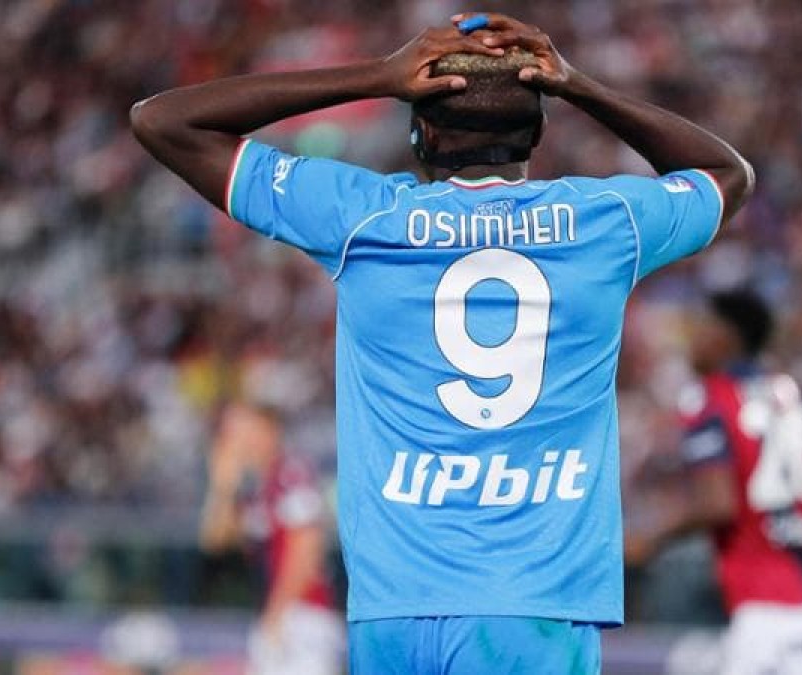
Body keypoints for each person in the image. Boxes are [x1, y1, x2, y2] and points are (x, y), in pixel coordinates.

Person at [131, 12, 753, 673]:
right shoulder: (606, 223)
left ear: (420, 131)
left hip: (393, 613)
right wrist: (579, 86)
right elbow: (726, 173)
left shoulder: (363, 218)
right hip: (535, 606)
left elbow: (162, 121)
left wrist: (378, 76)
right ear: (538, 133)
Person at [625, 289, 802, 675]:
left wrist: (651, 539)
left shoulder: (711, 399)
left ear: (726, 337)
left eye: (702, 328)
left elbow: (718, 503)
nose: (692, 341)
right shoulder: (796, 396)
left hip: (763, 612)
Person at [199, 400, 341, 675]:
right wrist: (222, 487)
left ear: (269, 430)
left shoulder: (291, 474)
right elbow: (215, 540)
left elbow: (306, 550)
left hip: (301, 616)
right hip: (277, 615)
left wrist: (277, 613)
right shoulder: (256, 489)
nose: (238, 440)